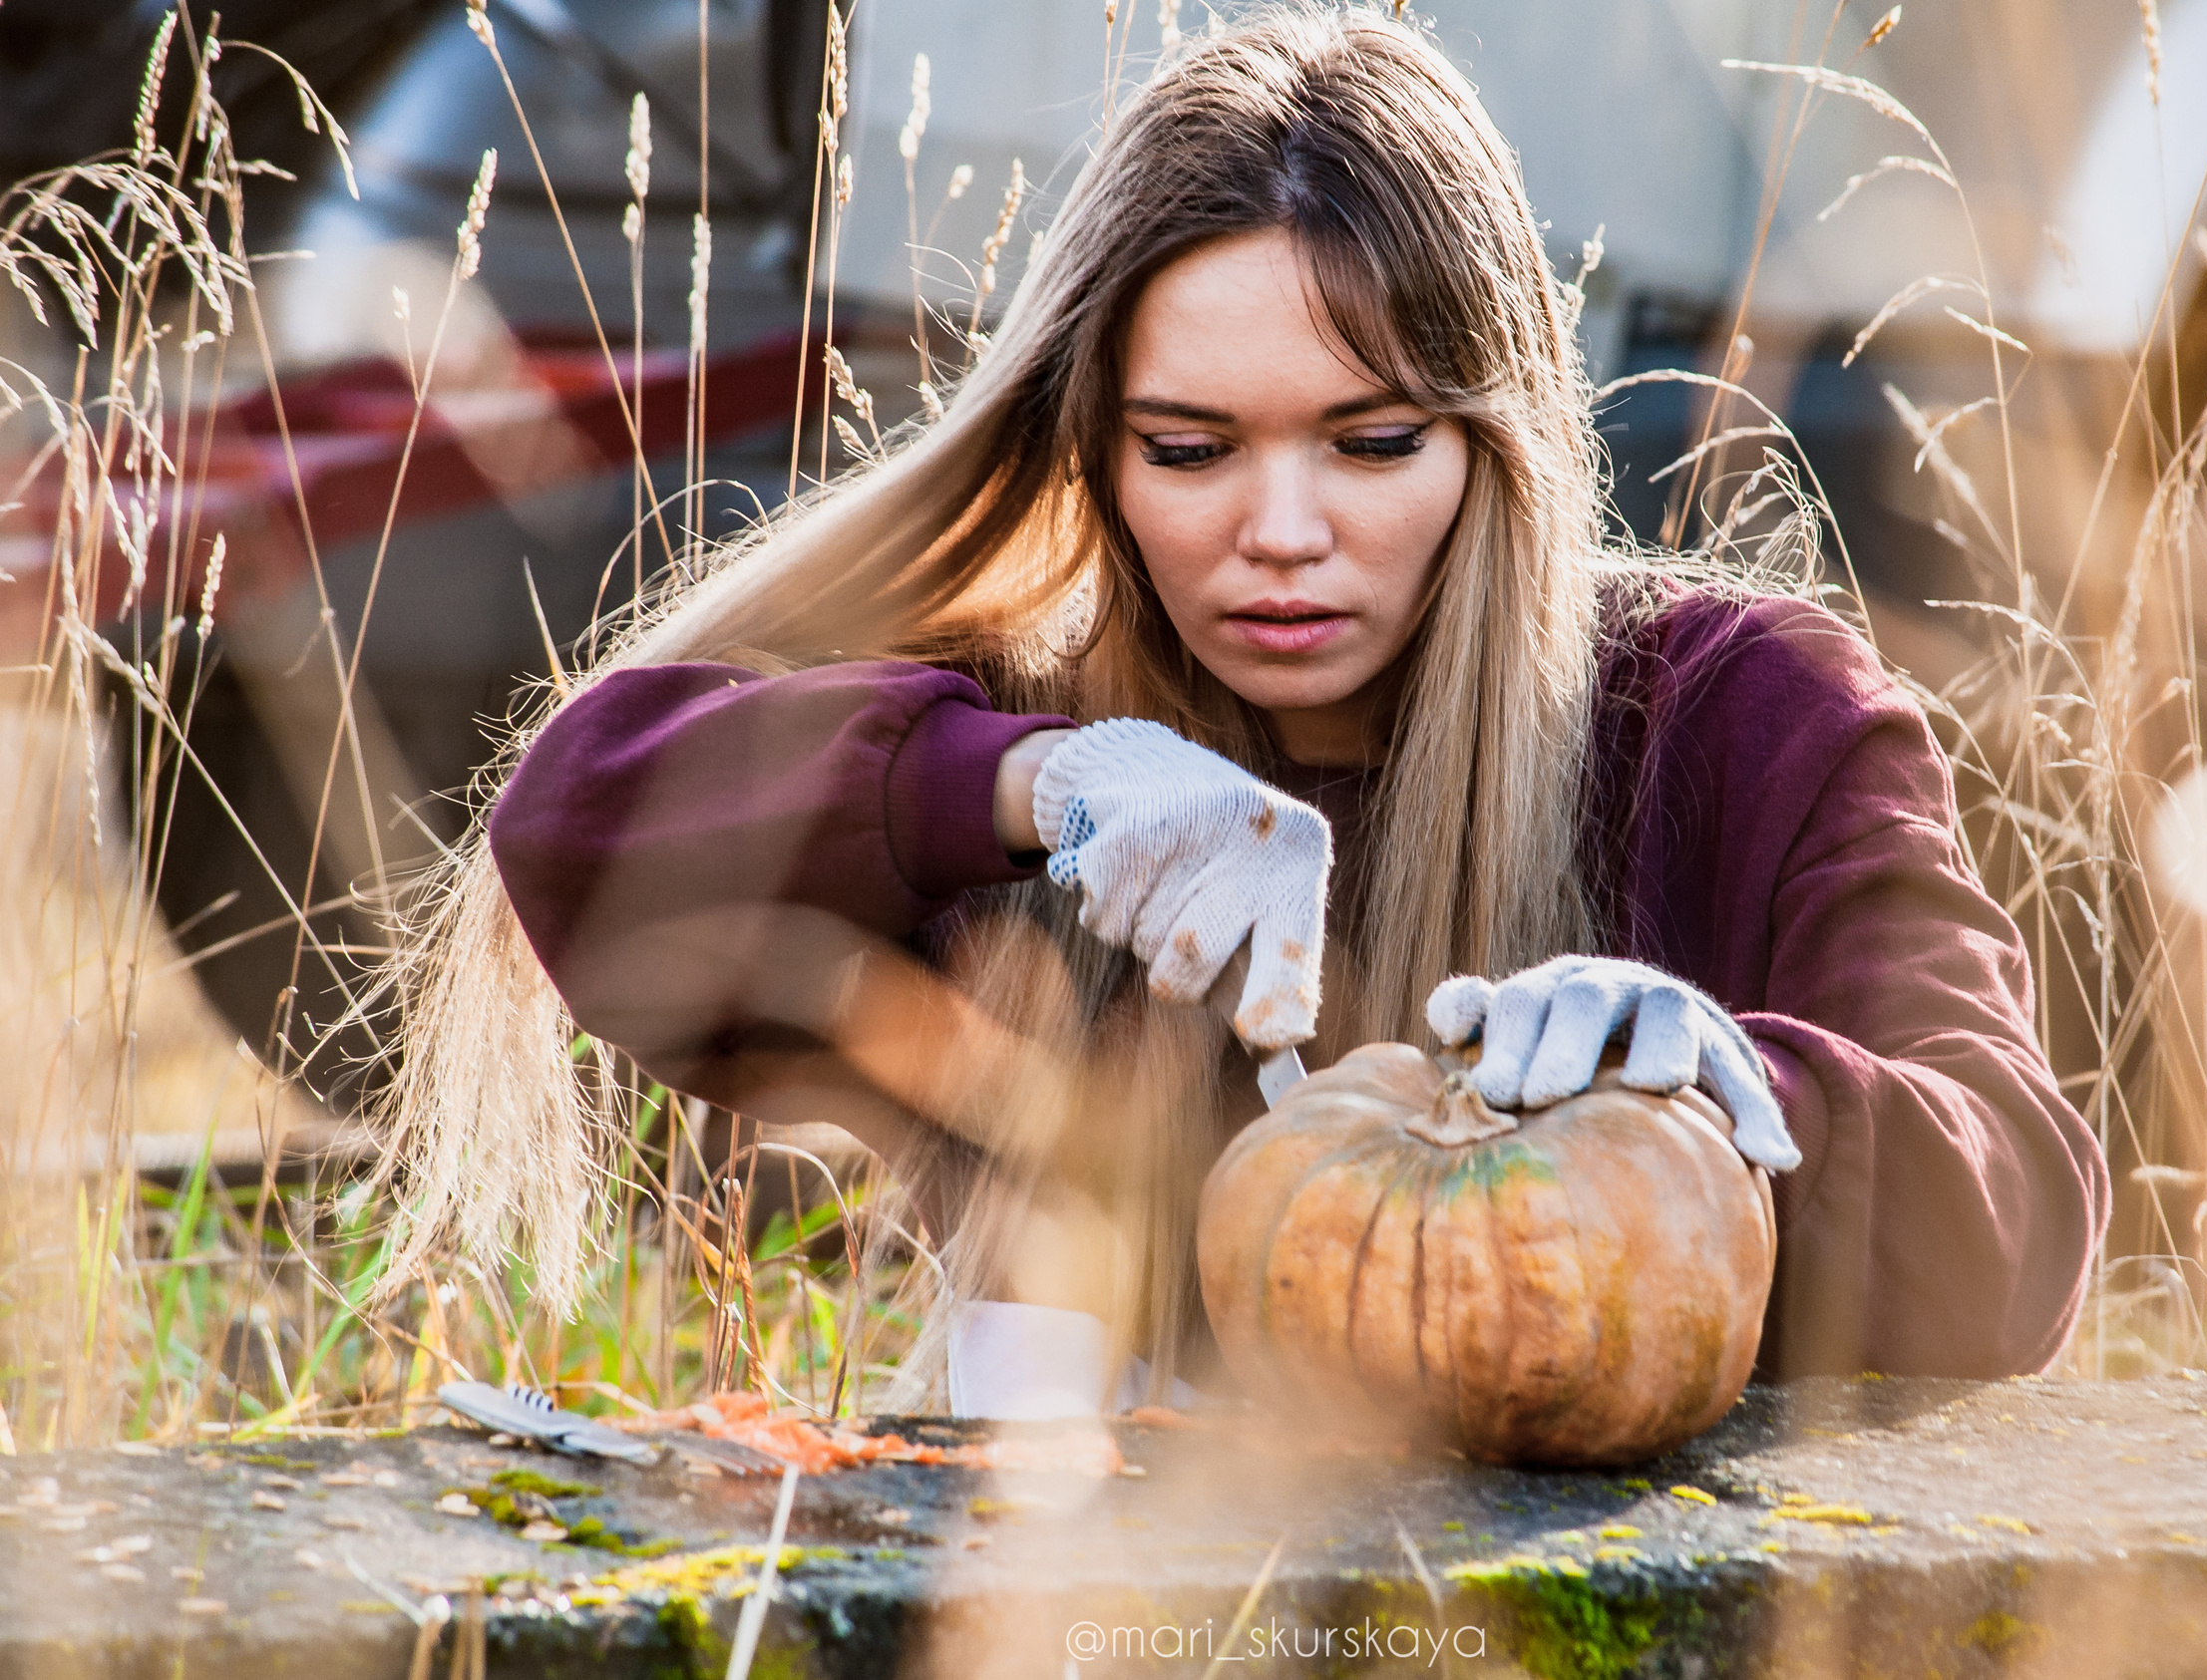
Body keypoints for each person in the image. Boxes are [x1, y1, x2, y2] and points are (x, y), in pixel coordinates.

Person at [380, 5, 2106, 1417]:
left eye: (1373, 444)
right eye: (1190, 450)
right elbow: (578, 829)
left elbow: (2021, 1204)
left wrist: (1731, 1098)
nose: (1282, 534)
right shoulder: (1030, 730)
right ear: (1093, 446)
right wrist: (1029, 784)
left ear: (1494, 448)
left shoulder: (1745, 720)